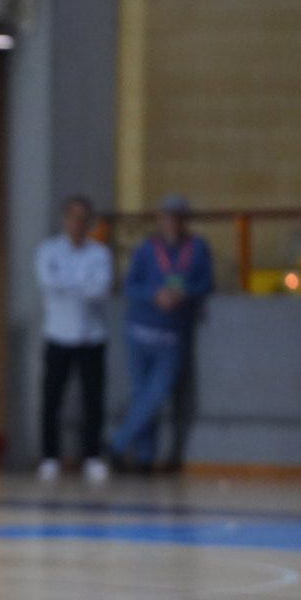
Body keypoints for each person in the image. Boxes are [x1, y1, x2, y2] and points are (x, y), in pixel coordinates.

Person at [109, 194, 213, 472]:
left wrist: (184, 293)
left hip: (172, 334)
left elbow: (205, 283)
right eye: (168, 217)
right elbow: (130, 285)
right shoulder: (146, 249)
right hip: (140, 331)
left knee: (157, 393)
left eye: (178, 218)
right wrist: (154, 295)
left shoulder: (198, 248)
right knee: (142, 394)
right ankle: (145, 457)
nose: (173, 223)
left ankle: (117, 443)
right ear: (160, 220)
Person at [34, 195, 112, 483]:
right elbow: (47, 284)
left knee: (93, 400)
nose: (78, 224)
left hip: (92, 336)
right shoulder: (49, 251)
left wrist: (69, 285)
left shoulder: (100, 253)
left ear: (89, 222)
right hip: (58, 333)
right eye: (73, 218)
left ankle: (92, 456)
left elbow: (99, 289)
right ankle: (50, 457)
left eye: (84, 219)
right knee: (52, 398)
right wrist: (80, 284)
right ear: (65, 220)